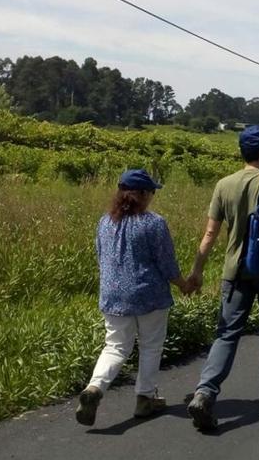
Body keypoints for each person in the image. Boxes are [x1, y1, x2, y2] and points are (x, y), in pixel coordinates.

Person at [185, 126, 259, 431]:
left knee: (227, 333)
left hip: (234, 272)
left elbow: (210, 234)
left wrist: (197, 269)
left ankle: (205, 392)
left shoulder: (224, 185)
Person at [76, 169, 191, 427]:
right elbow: (167, 264)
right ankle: (145, 398)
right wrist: (183, 284)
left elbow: (100, 256)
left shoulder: (105, 222)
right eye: (151, 192)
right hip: (148, 294)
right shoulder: (153, 223)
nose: (152, 196)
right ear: (141, 194)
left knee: (115, 346)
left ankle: (94, 389)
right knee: (150, 345)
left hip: (113, 295)